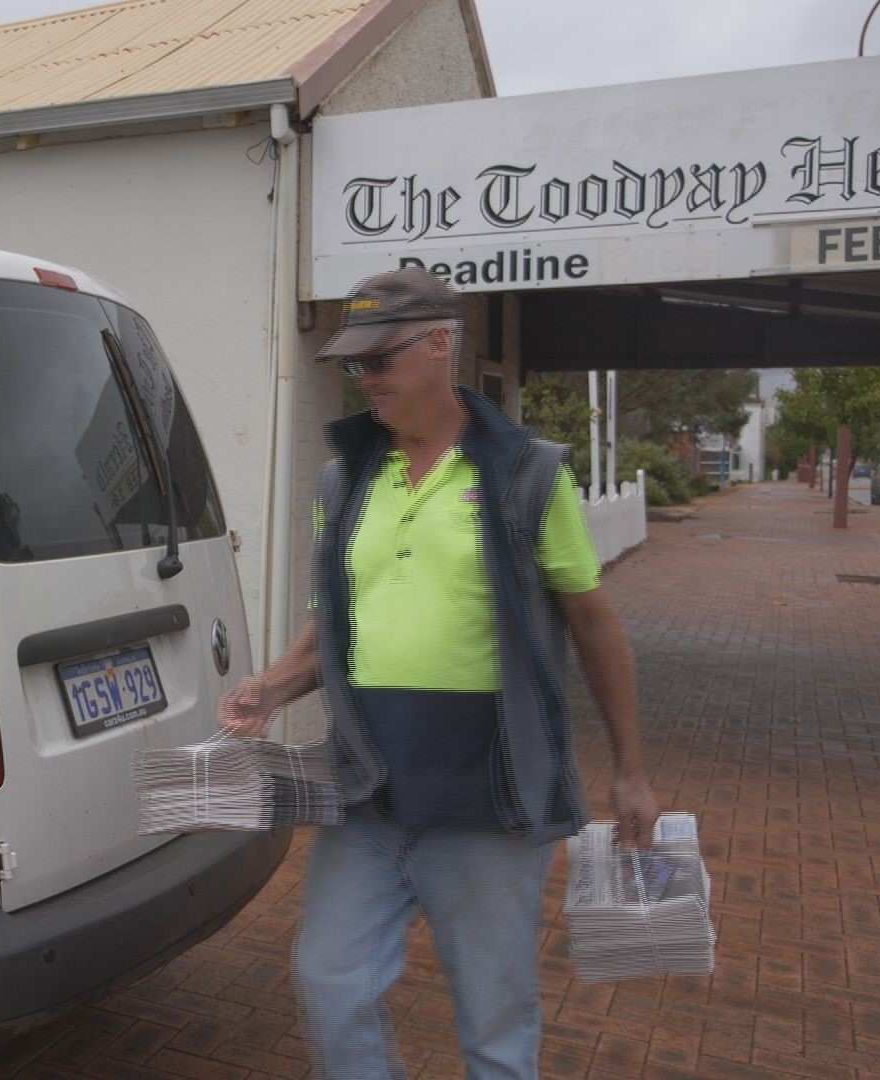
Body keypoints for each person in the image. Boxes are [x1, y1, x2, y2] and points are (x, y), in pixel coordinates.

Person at [220, 268, 658, 1080]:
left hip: (489, 798)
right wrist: (274, 684)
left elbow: (594, 625)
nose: (366, 380)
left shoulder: (527, 473)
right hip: (369, 793)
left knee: (494, 1020)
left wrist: (631, 770)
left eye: (379, 360)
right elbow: (339, 618)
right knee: (329, 979)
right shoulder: (344, 477)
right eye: (354, 366)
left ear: (439, 344)